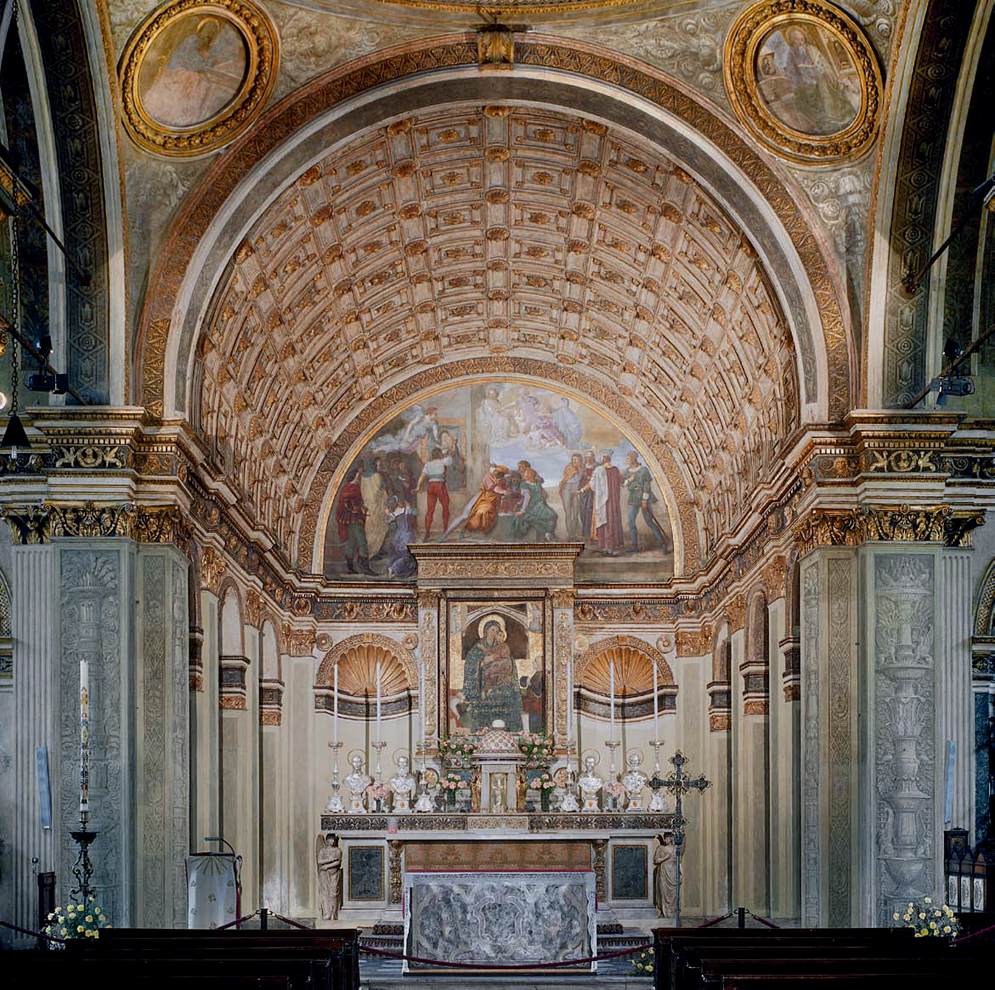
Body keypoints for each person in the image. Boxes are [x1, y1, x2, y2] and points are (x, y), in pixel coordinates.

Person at [462, 617, 523, 731]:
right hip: (482, 691)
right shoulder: (477, 649)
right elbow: (470, 666)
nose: (494, 633)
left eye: (496, 631)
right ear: (485, 632)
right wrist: (481, 662)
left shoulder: (503, 647)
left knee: (508, 701)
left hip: (502, 688)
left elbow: (510, 666)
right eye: (492, 630)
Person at [441, 463, 508, 539]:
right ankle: (445, 535)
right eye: (497, 472)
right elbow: (495, 489)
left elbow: (502, 490)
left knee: (490, 518)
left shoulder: (502, 480)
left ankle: (468, 531)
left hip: (492, 502)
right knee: (464, 516)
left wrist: (505, 493)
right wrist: (504, 492)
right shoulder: (488, 477)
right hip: (481, 498)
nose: (498, 475)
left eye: (501, 474)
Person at [623, 451, 670, 553]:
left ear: (634, 458)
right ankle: (634, 546)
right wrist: (630, 480)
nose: (626, 461)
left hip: (644, 498)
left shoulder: (644, 470)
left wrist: (644, 500)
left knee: (649, 521)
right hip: (633, 498)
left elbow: (647, 486)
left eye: (628, 458)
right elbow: (625, 484)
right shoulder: (627, 471)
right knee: (631, 521)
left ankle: (663, 543)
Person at [583, 450, 624, 555]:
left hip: (603, 501)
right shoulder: (615, 470)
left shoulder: (599, 470)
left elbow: (591, 484)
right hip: (613, 501)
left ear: (604, 459)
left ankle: (607, 547)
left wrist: (582, 490)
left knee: (605, 520)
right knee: (611, 520)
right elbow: (622, 482)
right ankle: (611, 547)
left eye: (602, 458)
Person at [335, 467, 374, 574]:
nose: (359, 477)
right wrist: (354, 509)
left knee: (351, 542)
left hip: (355, 518)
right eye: (358, 475)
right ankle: (364, 567)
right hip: (353, 518)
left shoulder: (356, 487)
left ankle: (350, 567)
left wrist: (362, 507)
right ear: (354, 475)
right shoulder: (350, 487)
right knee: (362, 542)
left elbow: (358, 502)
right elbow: (345, 501)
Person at [512, 462, 558, 541]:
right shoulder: (522, 482)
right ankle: (546, 533)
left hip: (538, 505)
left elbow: (540, 482)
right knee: (545, 517)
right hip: (531, 506)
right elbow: (526, 498)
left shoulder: (536, 483)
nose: (520, 468)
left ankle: (548, 533)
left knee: (552, 515)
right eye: (519, 467)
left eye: (522, 467)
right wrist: (522, 509)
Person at [417, 446, 453, 540]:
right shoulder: (442, 461)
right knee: (445, 508)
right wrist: (448, 453)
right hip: (440, 486)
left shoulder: (428, 464)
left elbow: (422, 476)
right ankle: (445, 531)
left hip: (431, 486)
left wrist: (418, 487)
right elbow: (450, 460)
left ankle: (427, 533)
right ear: (439, 454)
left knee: (430, 510)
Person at [379, 496, 417, 577]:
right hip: (406, 536)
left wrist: (387, 513)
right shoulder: (405, 510)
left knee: (398, 555)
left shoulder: (393, 514)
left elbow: (387, 521)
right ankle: (394, 568)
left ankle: (391, 569)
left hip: (397, 537)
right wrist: (410, 506)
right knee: (407, 556)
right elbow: (415, 512)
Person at [361, 457, 389, 558]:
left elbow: (364, 492)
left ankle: (373, 552)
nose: (379, 467)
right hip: (377, 506)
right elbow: (381, 489)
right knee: (379, 528)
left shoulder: (363, 478)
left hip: (368, 506)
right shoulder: (377, 476)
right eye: (378, 465)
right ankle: (373, 552)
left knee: (371, 529)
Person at [315, 833, 342, 921]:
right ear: (327, 840)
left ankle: (334, 913)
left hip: (334, 874)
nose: (332, 841)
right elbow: (319, 861)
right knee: (325, 893)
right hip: (324, 874)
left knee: (334, 893)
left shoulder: (337, 850)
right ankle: (327, 913)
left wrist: (327, 866)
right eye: (331, 839)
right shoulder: (323, 850)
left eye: (334, 839)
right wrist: (331, 860)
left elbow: (338, 862)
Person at [558, 453, 585, 541]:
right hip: (567, 490)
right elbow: (565, 479)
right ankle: (570, 534)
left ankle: (575, 533)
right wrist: (573, 472)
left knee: (576, 513)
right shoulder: (569, 467)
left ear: (580, 460)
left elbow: (582, 480)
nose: (574, 461)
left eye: (576, 459)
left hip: (576, 491)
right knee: (568, 513)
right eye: (573, 459)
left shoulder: (582, 469)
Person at [654, 834, 678, 918]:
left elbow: (678, 861)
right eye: (665, 838)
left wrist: (680, 871)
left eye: (667, 838)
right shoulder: (660, 848)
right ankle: (664, 911)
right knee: (663, 892)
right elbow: (656, 860)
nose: (666, 840)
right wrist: (665, 857)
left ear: (671, 838)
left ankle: (672, 911)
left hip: (673, 872)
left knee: (673, 893)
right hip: (664, 872)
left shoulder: (676, 848)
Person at [577, 451, 597, 544]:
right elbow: (579, 479)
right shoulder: (582, 467)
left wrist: (590, 479)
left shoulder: (597, 467)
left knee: (589, 512)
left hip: (592, 492)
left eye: (590, 457)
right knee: (582, 512)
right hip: (582, 492)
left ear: (593, 457)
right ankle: (584, 534)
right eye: (587, 457)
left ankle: (589, 535)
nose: (588, 458)